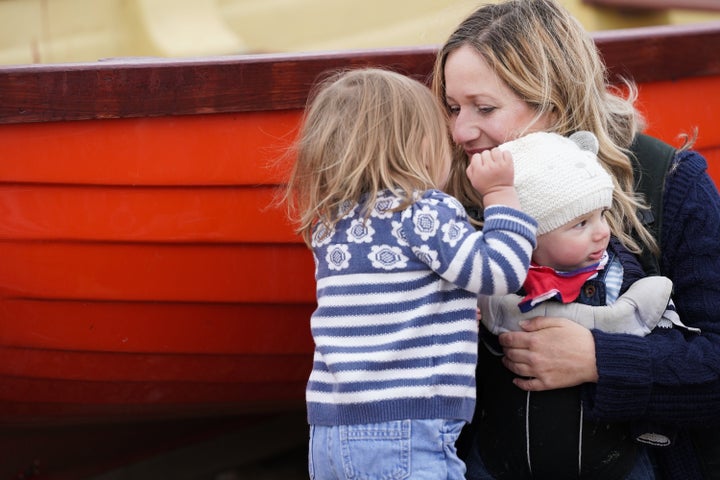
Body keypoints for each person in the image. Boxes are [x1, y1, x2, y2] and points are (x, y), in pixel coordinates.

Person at [431, 0, 720, 479]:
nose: (461, 130)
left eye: (484, 108)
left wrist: (599, 359)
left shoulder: (667, 182)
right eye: (452, 107)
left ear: (555, 100)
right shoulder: (447, 197)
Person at [283, 67, 537, 479]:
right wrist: (500, 194)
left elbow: (395, 300)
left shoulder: (331, 223)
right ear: (417, 144)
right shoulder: (423, 211)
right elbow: (499, 272)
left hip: (330, 432)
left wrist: (453, 309)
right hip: (405, 428)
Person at [477, 130, 681, 339]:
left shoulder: (618, 274)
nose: (602, 232)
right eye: (581, 224)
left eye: (602, 215)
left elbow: (656, 330)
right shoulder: (505, 281)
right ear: (532, 238)